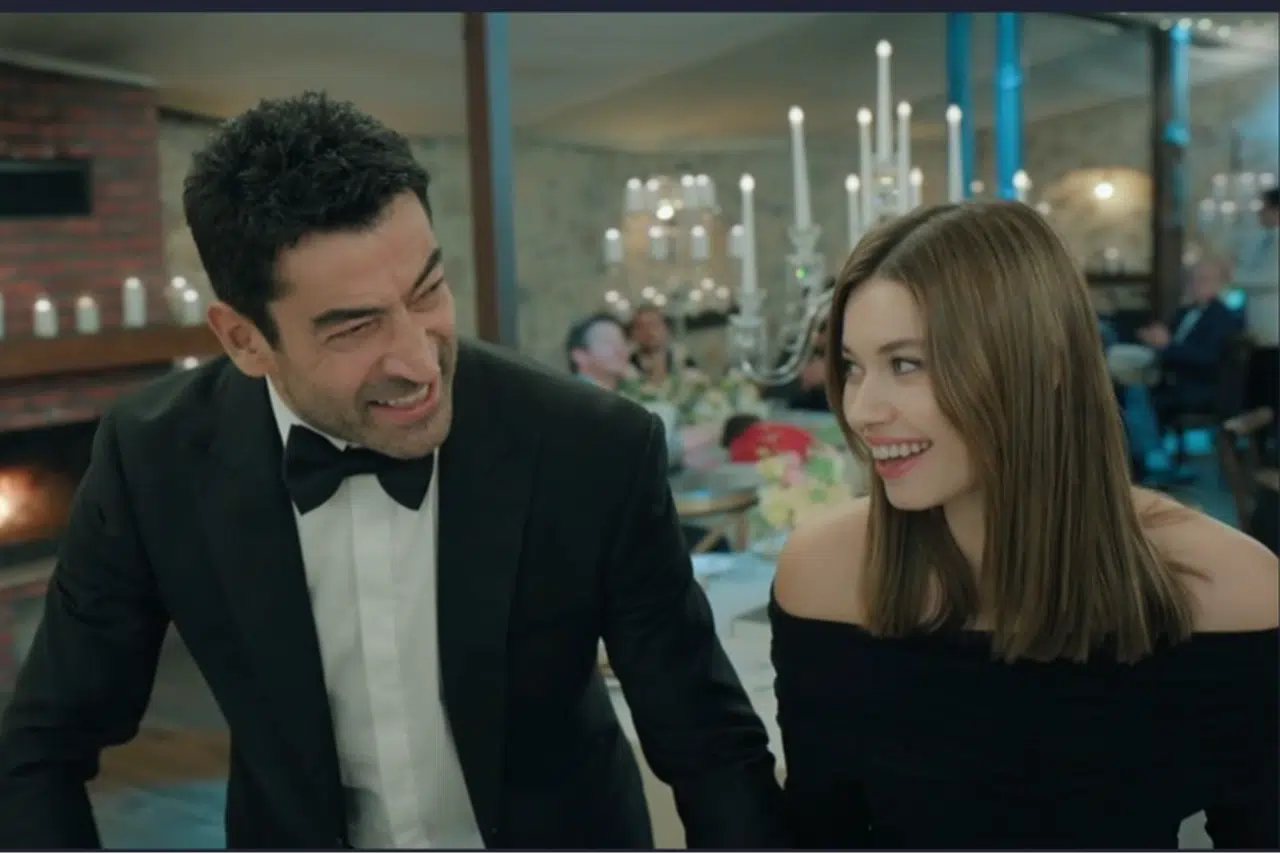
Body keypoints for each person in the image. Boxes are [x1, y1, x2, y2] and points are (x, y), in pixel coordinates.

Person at [0, 93, 784, 848]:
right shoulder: (153, 457)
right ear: (244, 340)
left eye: (428, 291)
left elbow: (710, 747)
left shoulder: (590, 446)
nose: (418, 360)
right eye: (354, 327)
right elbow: (39, 747)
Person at [772, 200, 1278, 848]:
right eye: (851, 366)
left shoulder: (1232, 587)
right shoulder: (823, 572)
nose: (863, 409)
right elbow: (820, 834)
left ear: (1047, 363)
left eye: (907, 364)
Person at [627, 305, 698, 384]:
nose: (649, 331)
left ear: (665, 329)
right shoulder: (627, 367)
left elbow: (696, 382)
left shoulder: (681, 358)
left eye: (654, 325)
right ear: (633, 334)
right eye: (641, 327)